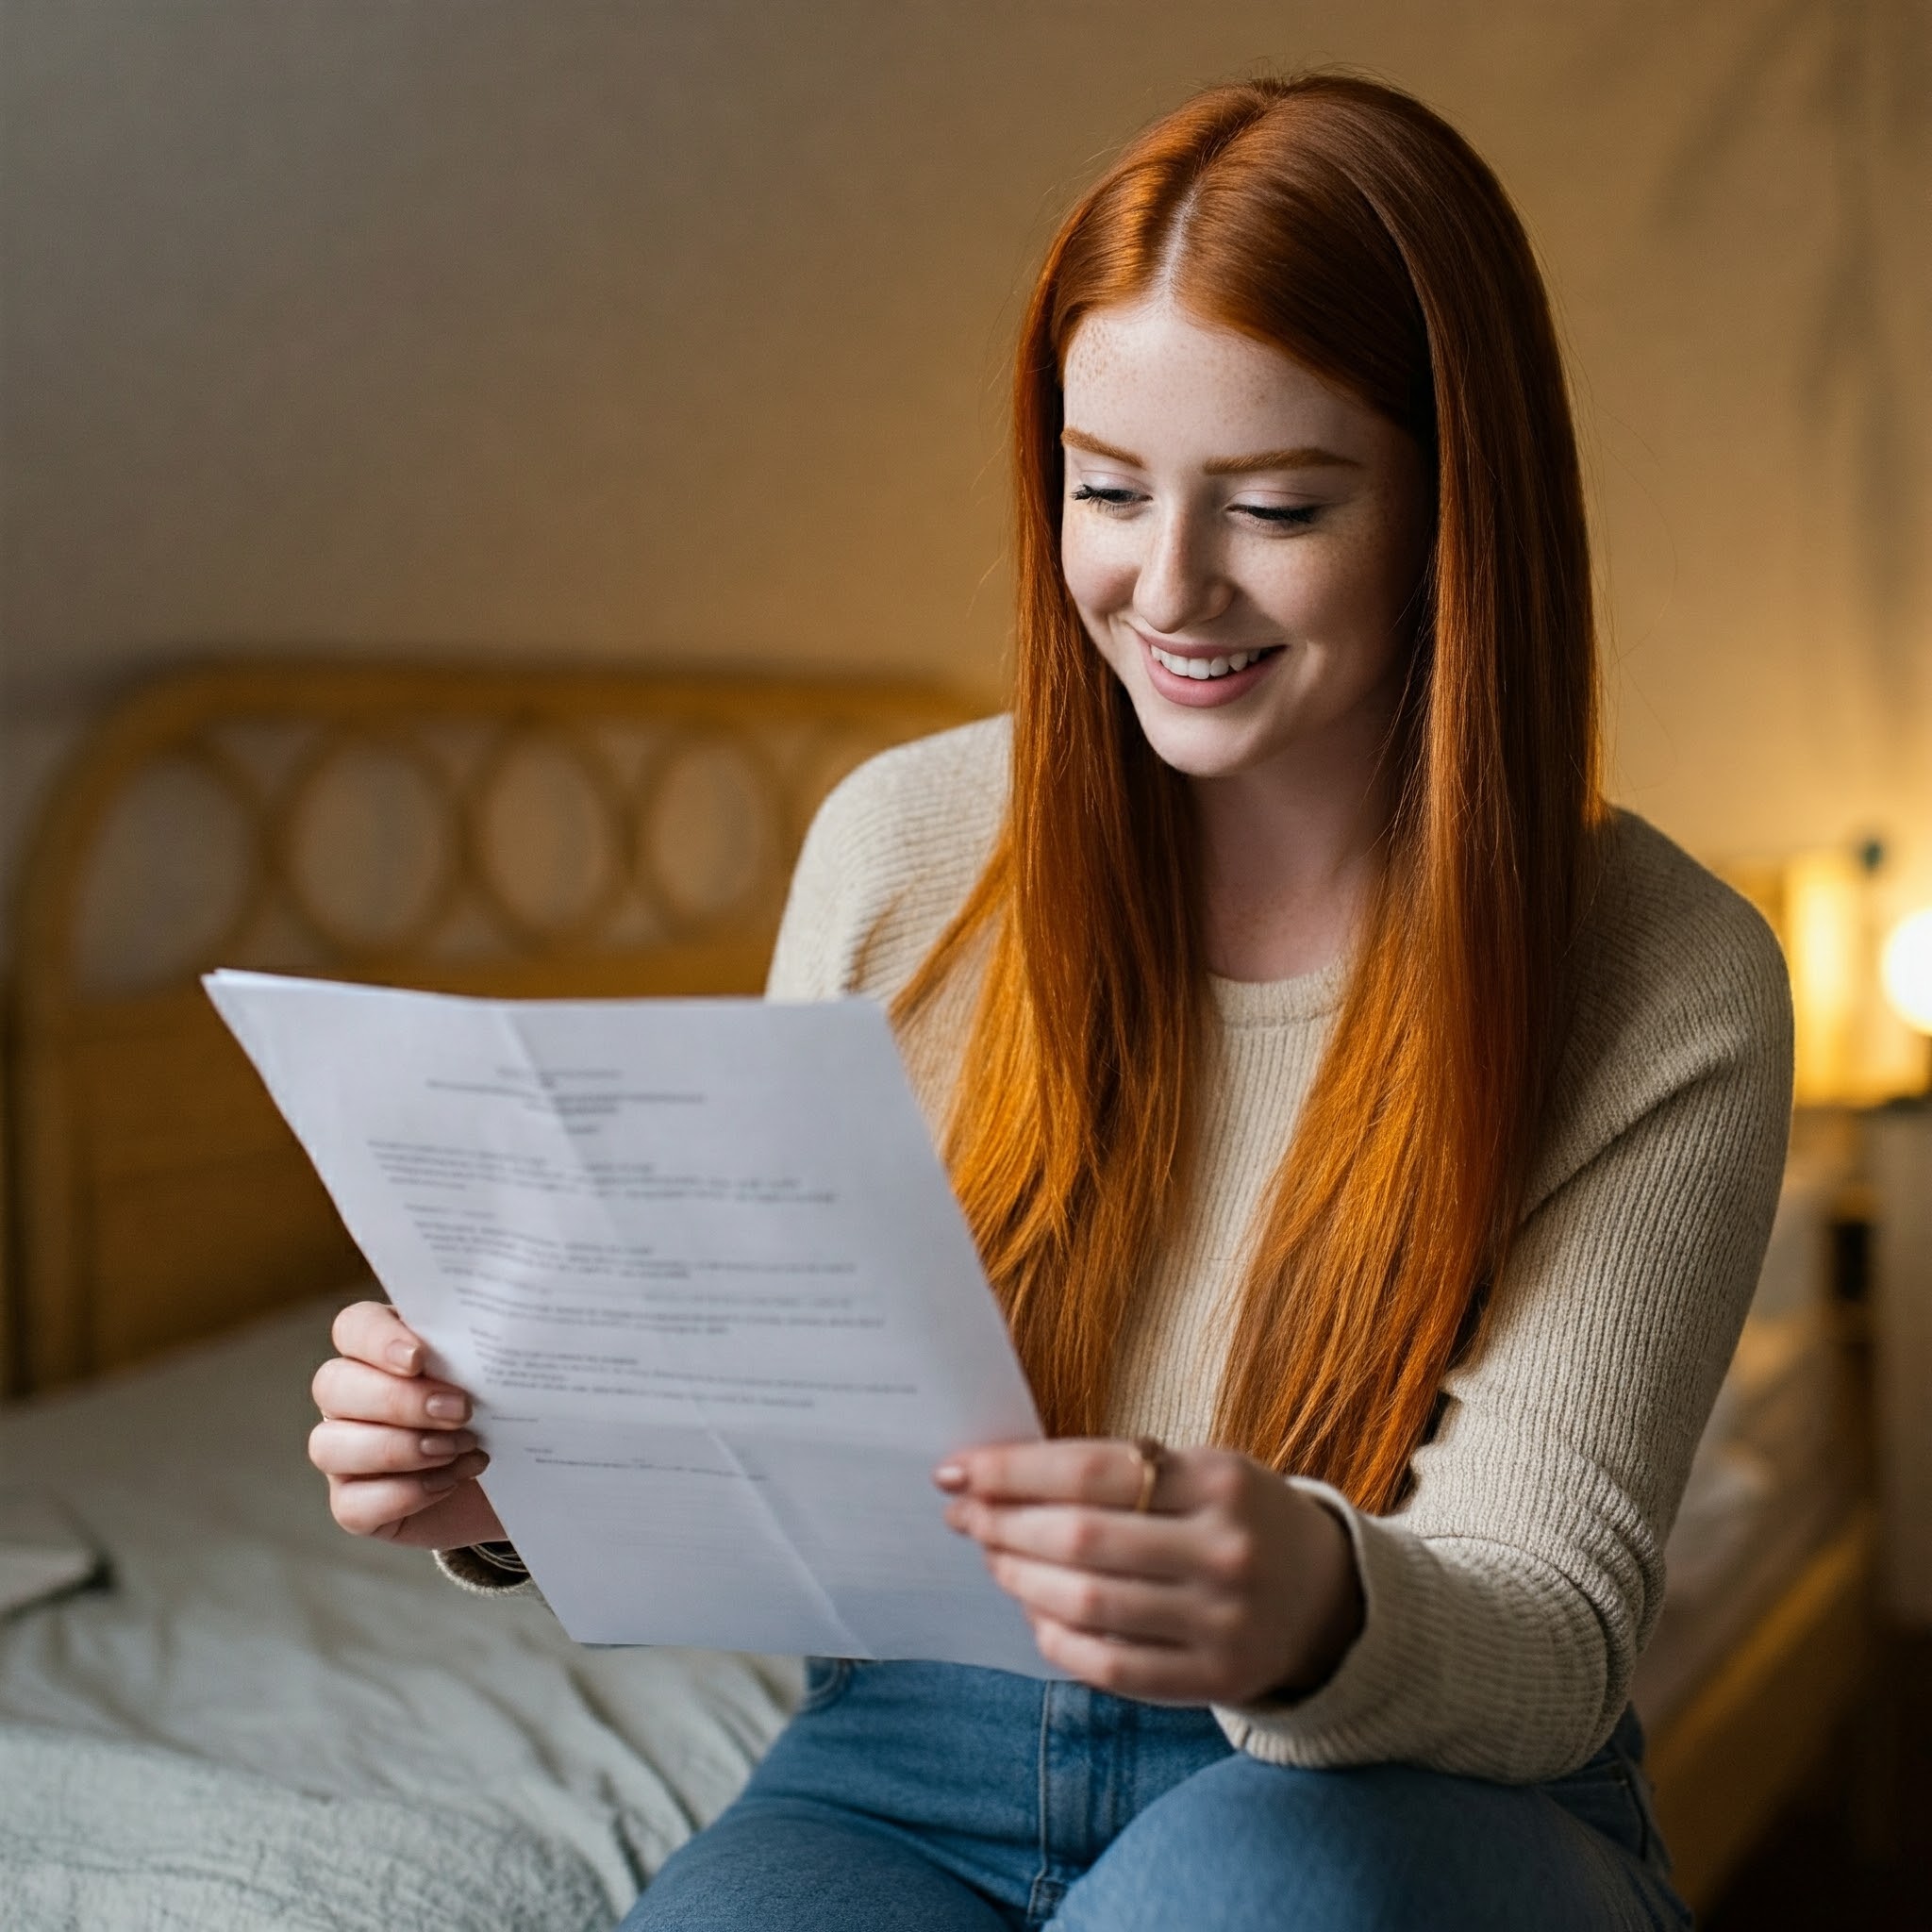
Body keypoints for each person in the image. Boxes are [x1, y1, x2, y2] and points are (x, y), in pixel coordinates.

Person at [306, 72, 1792, 1929]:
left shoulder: (1661, 972)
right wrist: (514, 1477)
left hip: (1392, 1773)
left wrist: (1307, 1599)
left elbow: (1554, 1636)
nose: (1164, 585)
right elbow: (778, 1446)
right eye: (1103, 488)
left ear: (1450, 506)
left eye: (1274, 504)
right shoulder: (906, 850)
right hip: (901, 1760)